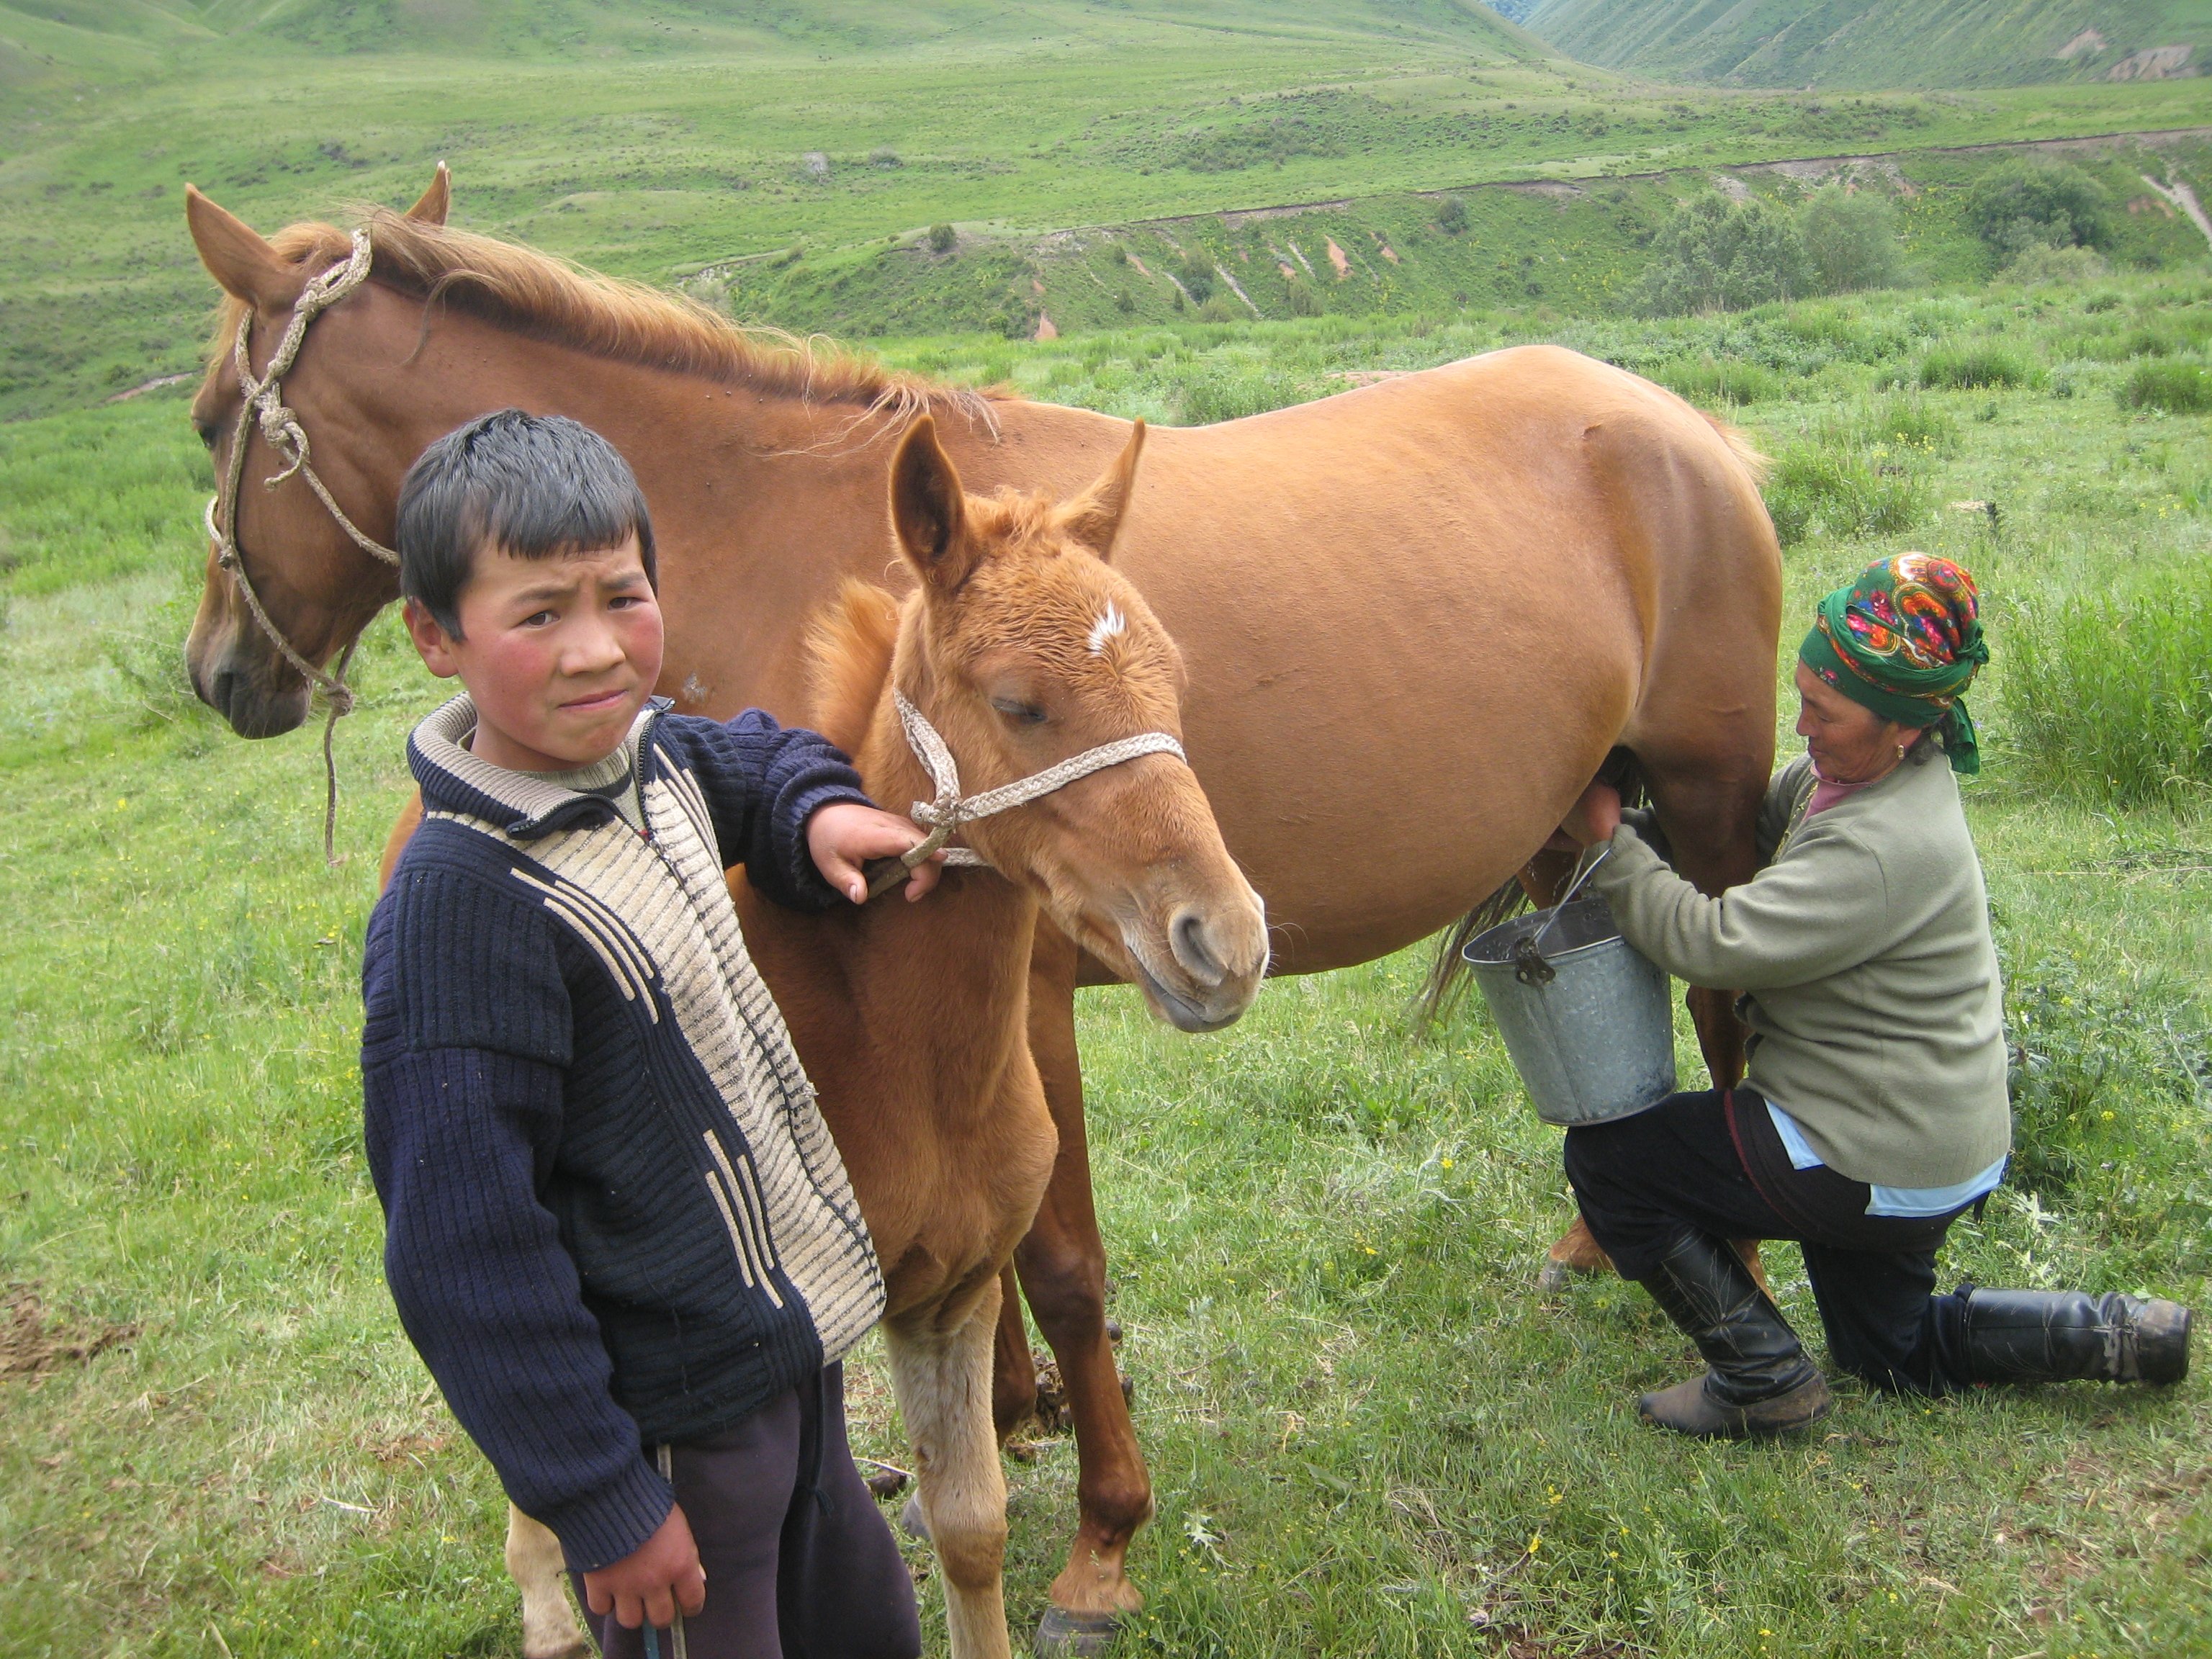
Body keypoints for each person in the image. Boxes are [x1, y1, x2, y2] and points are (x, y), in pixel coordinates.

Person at [360, 410, 940, 1655]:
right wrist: (604, 1499)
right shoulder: (464, 908)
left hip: (795, 1357)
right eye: (536, 614)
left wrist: (813, 814)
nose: (592, 652)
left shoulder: (648, 760)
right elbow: (464, 1252)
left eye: (621, 596)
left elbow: (753, 758)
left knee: (867, 1620)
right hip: (668, 1427)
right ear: (432, 636)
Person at [1557, 553, 2191, 1439]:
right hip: (1931, 1143)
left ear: (1900, 725)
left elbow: (1710, 942)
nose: (1804, 726)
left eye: (1826, 711)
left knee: (1611, 1161)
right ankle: (2122, 1333)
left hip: (1864, 1147)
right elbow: (1742, 833)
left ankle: (1760, 1378)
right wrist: (1646, 828)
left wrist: (1606, 844)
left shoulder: (1879, 849)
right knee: (1891, 1357)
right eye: (1804, 697)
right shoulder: (1861, 780)